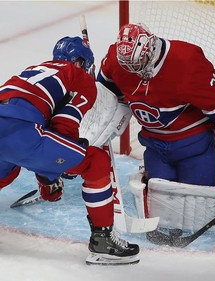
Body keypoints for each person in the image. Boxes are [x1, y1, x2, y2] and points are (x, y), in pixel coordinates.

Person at [0, 36, 139, 265]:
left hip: (13, 124)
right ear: (79, 62)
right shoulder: (79, 78)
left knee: (8, 171)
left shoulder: (35, 70)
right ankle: (103, 241)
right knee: (96, 161)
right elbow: (62, 131)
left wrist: (46, 179)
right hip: (21, 130)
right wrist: (54, 175)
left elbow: (41, 137)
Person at [97, 22, 215, 187]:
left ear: (151, 48)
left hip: (198, 144)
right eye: (129, 66)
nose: (135, 71)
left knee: (198, 198)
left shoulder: (186, 62)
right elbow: (103, 96)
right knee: (159, 196)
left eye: (139, 63)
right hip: (155, 146)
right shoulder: (116, 60)